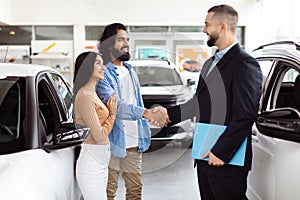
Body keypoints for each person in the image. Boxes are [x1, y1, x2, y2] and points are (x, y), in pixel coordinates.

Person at [165, 4, 263, 200]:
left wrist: (221, 152)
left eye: (207, 24)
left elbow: (245, 115)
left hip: (226, 160)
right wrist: (168, 115)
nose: (204, 30)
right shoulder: (211, 63)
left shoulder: (245, 64)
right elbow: (199, 103)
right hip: (204, 155)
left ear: (223, 27)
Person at [96, 23, 167, 200]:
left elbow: (136, 102)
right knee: (108, 192)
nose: (126, 43)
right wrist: (147, 113)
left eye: (127, 39)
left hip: (134, 141)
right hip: (112, 142)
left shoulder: (130, 71)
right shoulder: (102, 73)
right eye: (121, 39)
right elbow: (116, 106)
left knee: (135, 190)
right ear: (108, 44)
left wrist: (151, 114)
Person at [73, 51, 118, 200]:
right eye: (98, 63)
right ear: (87, 68)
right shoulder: (85, 96)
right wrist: (112, 114)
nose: (103, 67)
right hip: (91, 167)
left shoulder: (92, 94)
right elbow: (99, 136)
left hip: (100, 164)